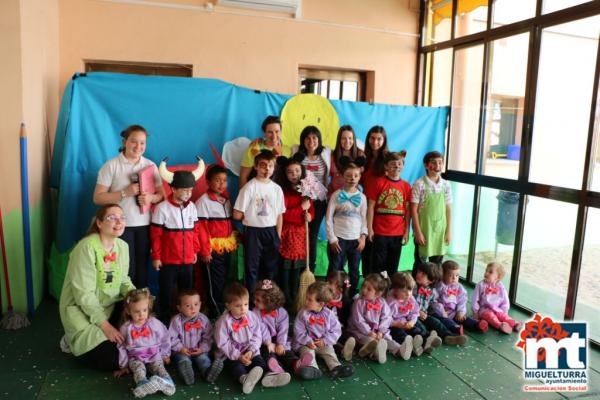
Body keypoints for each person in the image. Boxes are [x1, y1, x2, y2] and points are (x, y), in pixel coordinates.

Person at [59, 204, 135, 371]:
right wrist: (105, 326)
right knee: (112, 360)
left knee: (140, 317)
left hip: (110, 306)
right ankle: (70, 339)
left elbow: (123, 280)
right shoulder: (86, 248)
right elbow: (83, 295)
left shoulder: (123, 246)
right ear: (99, 223)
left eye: (122, 217)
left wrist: (137, 297)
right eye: (112, 217)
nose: (119, 221)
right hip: (82, 310)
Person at [93, 125, 164, 288]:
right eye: (134, 142)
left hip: (145, 225)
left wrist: (151, 197)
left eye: (142, 143)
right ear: (125, 142)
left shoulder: (150, 165)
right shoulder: (111, 166)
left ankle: (141, 308)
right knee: (125, 270)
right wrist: (124, 193)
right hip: (118, 227)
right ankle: (124, 308)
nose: (138, 147)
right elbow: (97, 198)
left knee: (142, 270)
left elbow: (161, 195)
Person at [151, 158, 204, 321]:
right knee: (166, 290)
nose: (188, 194)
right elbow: (156, 235)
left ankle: (186, 319)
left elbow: (195, 232)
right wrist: (157, 257)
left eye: (190, 190)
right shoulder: (162, 208)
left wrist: (195, 250)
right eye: (184, 190)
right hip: (168, 260)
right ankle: (165, 318)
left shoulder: (192, 207)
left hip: (188, 260)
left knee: (187, 291)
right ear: (173, 188)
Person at [214, 282, 284, 394]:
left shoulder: (251, 316)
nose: (243, 309)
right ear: (228, 305)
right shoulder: (223, 322)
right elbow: (223, 343)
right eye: (238, 305)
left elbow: (257, 335)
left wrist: (251, 350)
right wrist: (238, 356)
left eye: (246, 304)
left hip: (249, 350)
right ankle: (244, 379)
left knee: (259, 361)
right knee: (235, 366)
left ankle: (268, 376)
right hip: (232, 354)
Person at [233, 150, 285, 293]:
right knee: (252, 267)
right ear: (256, 166)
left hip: (271, 231)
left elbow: (279, 214)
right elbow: (237, 214)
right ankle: (250, 301)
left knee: (270, 267)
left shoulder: (277, 189)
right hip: (253, 232)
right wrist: (250, 216)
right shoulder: (249, 187)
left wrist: (278, 236)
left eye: (270, 166)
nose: (267, 169)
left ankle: (267, 298)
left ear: (274, 168)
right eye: (263, 165)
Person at [115, 288, 175, 398]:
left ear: (148, 308)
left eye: (144, 310)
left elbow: (165, 337)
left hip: (154, 354)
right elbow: (121, 346)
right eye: (137, 311)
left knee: (159, 368)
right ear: (129, 311)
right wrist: (123, 365)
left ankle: (167, 382)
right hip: (135, 357)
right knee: (138, 370)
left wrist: (165, 354)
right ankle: (143, 384)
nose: (141, 314)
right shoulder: (126, 328)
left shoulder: (154, 323)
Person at [196, 165, 238, 318]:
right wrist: (205, 251)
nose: (221, 184)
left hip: (226, 247)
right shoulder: (203, 202)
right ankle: (216, 311)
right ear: (208, 182)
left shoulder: (225, 200)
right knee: (215, 281)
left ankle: (224, 307)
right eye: (217, 181)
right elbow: (202, 229)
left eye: (224, 181)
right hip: (212, 249)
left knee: (225, 278)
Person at [292, 281, 355, 379]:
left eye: (309, 300)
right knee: (308, 353)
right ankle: (312, 368)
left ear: (321, 304)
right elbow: (298, 331)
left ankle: (336, 367)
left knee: (329, 351)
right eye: (306, 298)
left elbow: (336, 330)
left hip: (323, 343)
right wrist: (308, 341)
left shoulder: (329, 314)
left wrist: (325, 341)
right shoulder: (303, 313)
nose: (306, 302)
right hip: (306, 343)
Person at [251, 279, 312, 380]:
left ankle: (296, 363)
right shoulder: (255, 312)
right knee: (267, 353)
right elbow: (261, 329)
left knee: (285, 351)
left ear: (269, 303)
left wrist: (280, 344)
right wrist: (268, 343)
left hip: (277, 339)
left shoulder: (282, 313)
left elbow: (283, 330)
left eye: (258, 300)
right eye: (255, 299)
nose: (254, 302)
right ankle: (275, 367)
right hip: (263, 340)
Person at [274, 155, 314, 306]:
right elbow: (283, 215)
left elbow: (312, 210)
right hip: (287, 235)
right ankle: (285, 299)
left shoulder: (306, 191)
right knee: (285, 268)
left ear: (302, 171)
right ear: (285, 174)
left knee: (297, 268)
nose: (294, 174)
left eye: (297, 171)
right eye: (290, 172)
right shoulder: (282, 192)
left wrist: (309, 216)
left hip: (301, 235)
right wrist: (300, 208)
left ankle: (296, 298)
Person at [292, 126, 332, 272]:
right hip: (301, 200)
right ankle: (298, 267)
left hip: (319, 201)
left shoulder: (326, 153)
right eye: (308, 138)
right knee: (300, 232)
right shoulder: (297, 153)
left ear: (319, 140)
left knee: (313, 234)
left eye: (314, 138)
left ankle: (310, 269)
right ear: (303, 140)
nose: (311, 141)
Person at [325, 161, 367, 297]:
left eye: (355, 175)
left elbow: (364, 219)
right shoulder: (336, 195)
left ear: (359, 177)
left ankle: (352, 293)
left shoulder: (362, 198)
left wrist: (363, 237)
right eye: (349, 175)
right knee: (335, 268)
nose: (352, 178)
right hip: (339, 240)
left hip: (355, 240)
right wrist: (332, 238)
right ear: (343, 176)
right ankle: (332, 293)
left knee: (354, 269)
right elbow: (328, 218)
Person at [366, 151, 411, 277]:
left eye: (399, 164)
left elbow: (408, 211)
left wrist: (407, 231)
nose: (397, 166)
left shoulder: (406, 186)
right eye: (393, 164)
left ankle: (390, 291)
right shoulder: (378, 183)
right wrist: (369, 228)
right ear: (386, 166)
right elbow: (370, 206)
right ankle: (375, 291)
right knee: (377, 266)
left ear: (403, 166)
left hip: (397, 232)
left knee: (393, 266)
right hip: (380, 231)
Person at [347, 273, 411, 362]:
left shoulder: (382, 302)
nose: (364, 290)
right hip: (361, 332)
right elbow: (358, 321)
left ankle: (400, 350)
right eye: (364, 286)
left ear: (377, 294)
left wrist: (381, 331)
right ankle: (377, 354)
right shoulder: (359, 302)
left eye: (369, 289)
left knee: (387, 339)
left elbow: (387, 317)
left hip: (378, 331)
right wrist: (369, 332)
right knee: (370, 341)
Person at [168, 289, 223, 385]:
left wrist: (202, 349)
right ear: (179, 308)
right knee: (183, 360)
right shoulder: (176, 321)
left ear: (200, 305)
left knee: (203, 359)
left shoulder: (203, 319)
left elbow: (208, 337)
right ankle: (187, 375)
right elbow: (172, 338)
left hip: (198, 350)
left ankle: (208, 372)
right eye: (188, 305)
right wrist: (180, 348)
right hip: (182, 351)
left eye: (196, 304)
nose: (192, 308)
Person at [411, 151, 452, 269]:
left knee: (437, 264)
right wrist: (417, 232)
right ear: (425, 165)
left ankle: (434, 287)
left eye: (440, 162)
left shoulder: (446, 185)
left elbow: (448, 209)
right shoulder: (419, 184)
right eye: (433, 163)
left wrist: (448, 231)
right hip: (424, 229)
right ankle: (418, 287)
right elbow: (413, 210)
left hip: (440, 230)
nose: (437, 166)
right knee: (420, 262)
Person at [413, 262, 468, 346]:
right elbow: (406, 302)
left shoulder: (431, 290)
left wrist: (441, 311)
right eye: (419, 271)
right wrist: (417, 312)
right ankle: (428, 339)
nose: (419, 274)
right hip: (412, 316)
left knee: (436, 322)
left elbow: (434, 302)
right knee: (421, 327)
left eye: (423, 274)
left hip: (424, 315)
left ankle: (448, 336)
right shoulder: (412, 286)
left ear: (431, 280)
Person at [360, 126, 389, 276]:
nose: (375, 142)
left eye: (379, 138)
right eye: (372, 138)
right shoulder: (363, 158)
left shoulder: (388, 160)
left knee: (380, 250)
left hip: (382, 210)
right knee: (367, 248)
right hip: (366, 207)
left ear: (384, 140)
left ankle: (380, 283)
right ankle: (367, 280)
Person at [431, 261, 488, 334]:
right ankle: (456, 328)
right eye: (450, 275)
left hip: (453, 312)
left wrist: (460, 311)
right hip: (441, 313)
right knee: (444, 321)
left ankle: (477, 325)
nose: (454, 278)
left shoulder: (459, 287)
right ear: (443, 275)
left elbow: (462, 300)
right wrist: (441, 311)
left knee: (463, 318)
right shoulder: (439, 286)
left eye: (457, 275)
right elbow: (433, 300)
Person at [239, 116, 291, 188]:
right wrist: (244, 196)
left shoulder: (287, 150)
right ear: (264, 132)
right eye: (270, 132)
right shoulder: (253, 149)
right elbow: (243, 177)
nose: (274, 136)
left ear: (281, 131)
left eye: (277, 131)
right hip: (257, 193)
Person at [472, 262, 522, 334]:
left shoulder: (500, 286)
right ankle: (500, 325)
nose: (486, 273)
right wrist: (475, 312)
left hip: (497, 309)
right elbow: (475, 299)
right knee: (491, 317)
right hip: (484, 310)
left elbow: (505, 300)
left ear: (498, 277)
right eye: (486, 270)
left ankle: (515, 324)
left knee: (503, 316)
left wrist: (504, 311)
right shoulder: (480, 285)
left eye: (490, 272)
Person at [386, 272, 429, 357]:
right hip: (395, 325)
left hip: (406, 322)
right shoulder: (391, 302)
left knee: (417, 330)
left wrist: (412, 321)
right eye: (404, 291)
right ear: (395, 290)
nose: (408, 294)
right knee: (400, 335)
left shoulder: (410, 298)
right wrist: (397, 324)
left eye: (410, 290)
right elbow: (386, 319)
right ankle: (411, 347)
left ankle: (426, 342)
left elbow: (415, 312)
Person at [325, 270, 356, 361]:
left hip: (340, 328)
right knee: (331, 341)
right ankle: (342, 350)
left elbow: (346, 316)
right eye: (327, 281)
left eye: (330, 283)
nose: (327, 284)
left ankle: (360, 347)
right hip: (326, 329)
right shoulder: (324, 299)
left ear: (340, 289)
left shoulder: (346, 301)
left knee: (350, 337)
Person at [328, 125, 365, 196]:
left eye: (350, 138)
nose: (347, 141)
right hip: (335, 195)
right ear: (339, 140)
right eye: (343, 138)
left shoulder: (360, 154)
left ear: (353, 139)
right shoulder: (332, 156)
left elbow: (363, 177)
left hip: (354, 196)